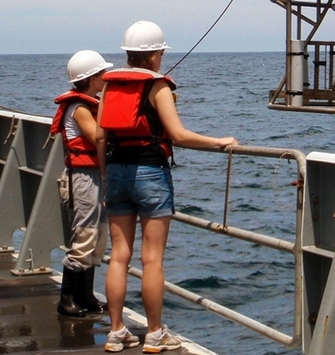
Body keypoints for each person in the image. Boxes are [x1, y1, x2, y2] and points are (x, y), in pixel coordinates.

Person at [98, 21, 237, 353]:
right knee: (152, 259)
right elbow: (178, 135)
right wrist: (219, 141)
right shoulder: (157, 86)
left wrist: (105, 174)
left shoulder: (109, 85)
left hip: (115, 172)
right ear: (155, 55)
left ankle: (116, 333)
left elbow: (102, 137)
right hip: (150, 173)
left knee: (118, 256)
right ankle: (154, 333)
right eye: (161, 53)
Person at [50, 50, 114, 317]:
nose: (106, 77)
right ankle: (67, 300)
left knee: (98, 236)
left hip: (96, 176)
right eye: (102, 74)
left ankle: (85, 295)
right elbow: (97, 136)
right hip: (83, 178)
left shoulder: (91, 104)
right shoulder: (79, 108)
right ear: (92, 78)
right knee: (85, 234)